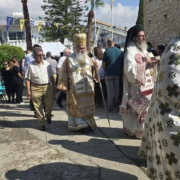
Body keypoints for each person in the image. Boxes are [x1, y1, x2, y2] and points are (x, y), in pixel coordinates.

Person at [139, 36, 180, 180]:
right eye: (140, 36)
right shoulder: (176, 50)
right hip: (170, 115)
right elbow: (174, 86)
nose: (142, 38)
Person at [119, 24, 157, 139]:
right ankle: (135, 130)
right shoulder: (130, 51)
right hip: (135, 88)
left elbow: (149, 63)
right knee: (137, 110)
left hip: (148, 86)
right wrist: (146, 64)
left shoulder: (144, 49)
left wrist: (153, 63)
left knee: (147, 110)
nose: (143, 38)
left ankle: (145, 130)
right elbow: (129, 71)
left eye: (144, 35)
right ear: (135, 38)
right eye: (141, 36)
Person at [57, 32, 99, 132]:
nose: (82, 50)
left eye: (84, 48)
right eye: (80, 48)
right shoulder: (69, 60)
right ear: (75, 47)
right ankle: (81, 125)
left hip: (88, 90)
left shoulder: (89, 58)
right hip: (75, 90)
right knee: (77, 107)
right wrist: (64, 86)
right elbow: (63, 73)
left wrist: (95, 67)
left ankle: (89, 124)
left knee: (87, 107)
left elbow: (93, 72)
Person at [25, 47, 56, 131]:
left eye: (42, 54)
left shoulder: (47, 64)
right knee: (38, 107)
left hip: (47, 87)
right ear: (34, 56)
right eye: (39, 55)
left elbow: (51, 76)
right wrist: (28, 91)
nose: (41, 56)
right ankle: (41, 123)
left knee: (50, 104)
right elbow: (27, 79)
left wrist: (54, 87)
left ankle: (48, 115)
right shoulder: (30, 65)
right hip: (35, 87)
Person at [102, 38, 123, 112]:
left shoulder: (106, 52)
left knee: (110, 91)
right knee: (117, 90)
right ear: (114, 42)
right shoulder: (120, 52)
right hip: (118, 74)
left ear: (107, 43)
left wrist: (106, 71)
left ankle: (110, 106)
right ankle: (118, 105)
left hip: (109, 74)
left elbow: (103, 65)